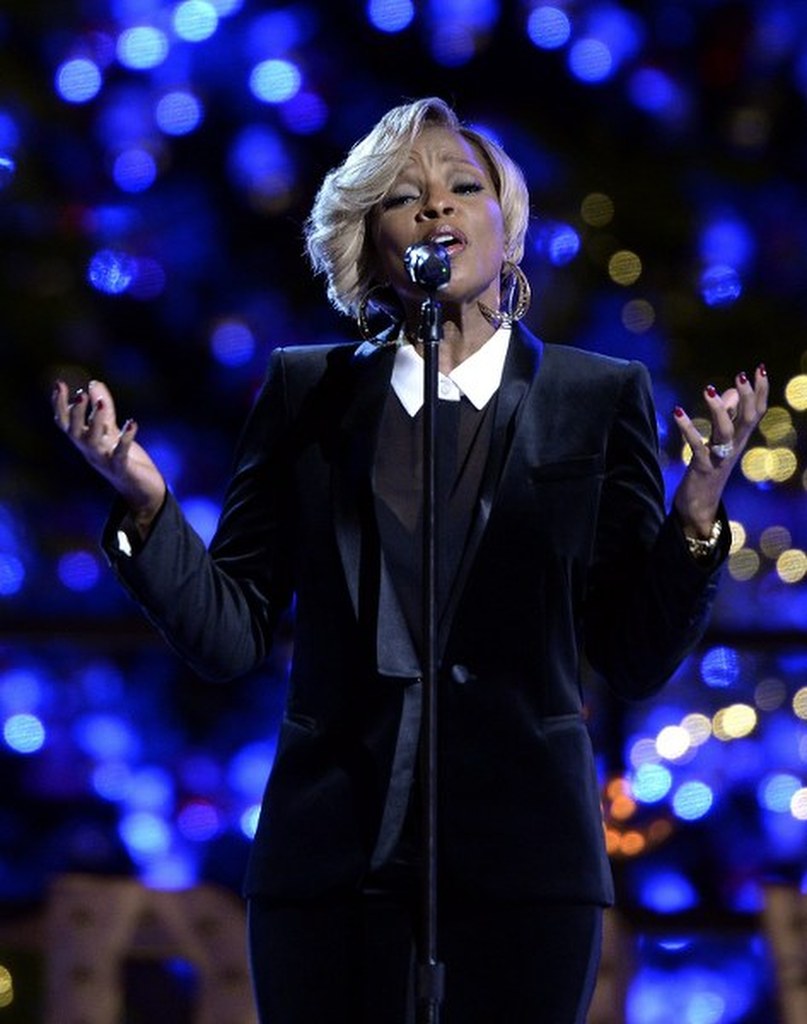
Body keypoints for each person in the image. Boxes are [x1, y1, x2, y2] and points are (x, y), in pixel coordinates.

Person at [52, 96, 768, 1024]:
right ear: (368, 245)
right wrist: (148, 507)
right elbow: (229, 635)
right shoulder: (306, 392)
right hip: (330, 864)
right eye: (402, 196)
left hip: (526, 867)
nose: (436, 207)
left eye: (463, 187)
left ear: (506, 227)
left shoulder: (595, 398)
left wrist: (697, 515)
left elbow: (631, 653)